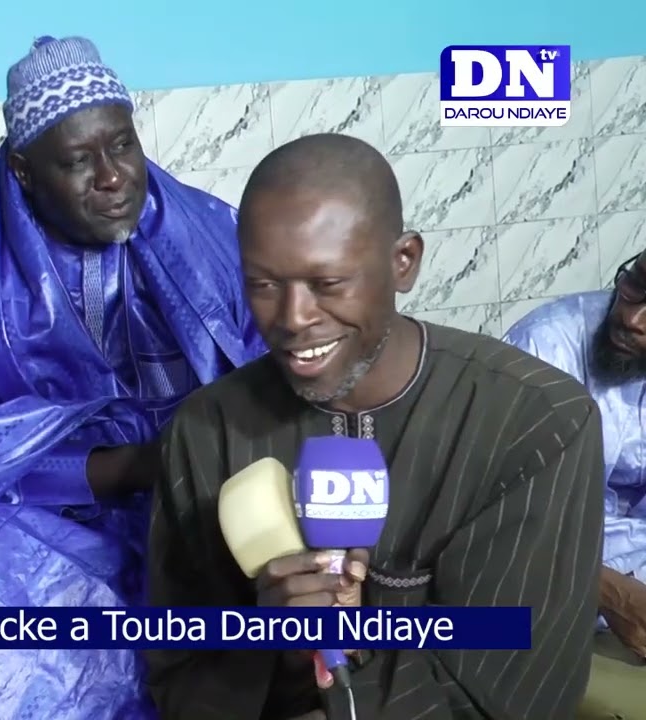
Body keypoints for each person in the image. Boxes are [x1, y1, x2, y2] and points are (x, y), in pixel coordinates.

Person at [0, 35, 266, 720]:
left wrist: (196, 461)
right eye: (77, 160)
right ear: (25, 171)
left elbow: (274, 371)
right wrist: (125, 467)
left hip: (194, 495)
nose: (113, 175)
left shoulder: (210, 232)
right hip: (29, 509)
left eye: (122, 145)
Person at [148, 133, 603, 720]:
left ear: (403, 262)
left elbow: (514, 696)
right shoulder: (206, 431)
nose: (293, 319)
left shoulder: (534, 424)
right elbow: (179, 677)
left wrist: (352, 658)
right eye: (264, 284)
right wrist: (265, 642)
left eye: (328, 283)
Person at [502, 275, 646, 719]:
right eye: (635, 286)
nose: (631, 317)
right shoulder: (545, 347)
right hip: (536, 582)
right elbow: (495, 520)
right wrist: (611, 593)